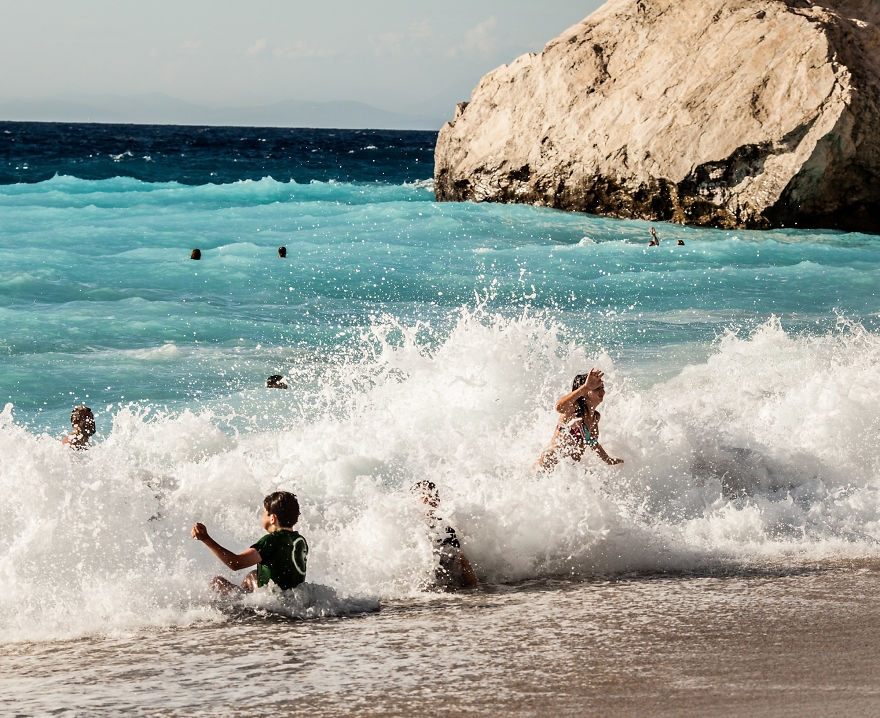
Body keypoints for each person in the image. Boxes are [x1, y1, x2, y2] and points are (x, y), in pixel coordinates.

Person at [192, 491, 308, 595]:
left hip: (272, 602)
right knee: (253, 574)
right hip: (293, 598)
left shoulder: (272, 540)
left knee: (217, 582)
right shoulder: (300, 540)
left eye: (264, 513)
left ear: (272, 518)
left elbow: (236, 563)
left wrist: (206, 539)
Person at [535, 369, 623, 471]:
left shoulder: (595, 417)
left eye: (602, 387)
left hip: (567, 472)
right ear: (584, 393)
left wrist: (608, 460)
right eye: (596, 388)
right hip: (547, 466)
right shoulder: (574, 411)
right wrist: (585, 387)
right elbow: (559, 407)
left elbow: (593, 443)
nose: (602, 391)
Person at [411, 481, 477, 590]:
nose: (431, 499)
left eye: (434, 495)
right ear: (414, 501)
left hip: (443, 576)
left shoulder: (445, 528)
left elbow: (460, 559)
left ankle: (472, 588)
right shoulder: (408, 526)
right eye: (425, 496)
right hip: (418, 574)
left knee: (458, 556)